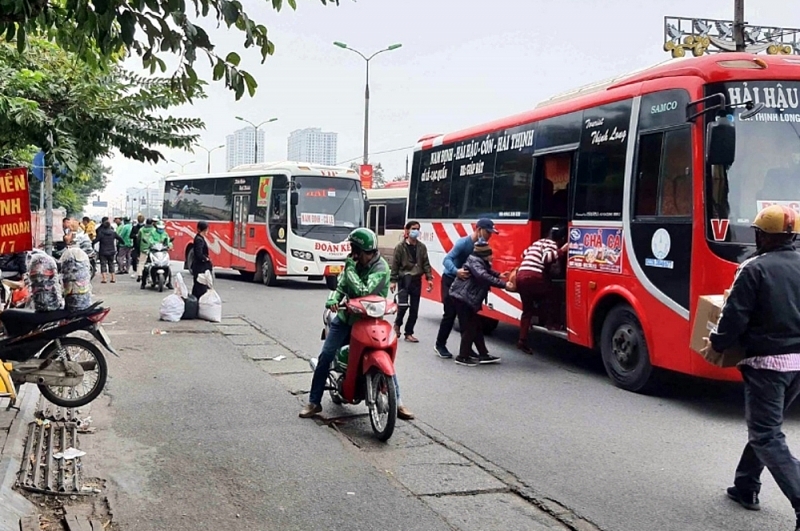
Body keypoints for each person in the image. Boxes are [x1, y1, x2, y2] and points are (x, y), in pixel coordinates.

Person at [702, 204, 800, 530]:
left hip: (767, 364)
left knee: (766, 434)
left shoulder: (754, 268)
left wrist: (716, 343)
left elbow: (734, 316)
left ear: (763, 236)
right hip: (797, 365)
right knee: (765, 428)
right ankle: (746, 485)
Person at [300, 228, 414, 421]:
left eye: (354, 250)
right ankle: (313, 401)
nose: (352, 254)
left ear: (363, 251)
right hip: (346, 319)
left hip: (370, 320)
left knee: (386, 358)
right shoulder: (352, 263)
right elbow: (342, 286)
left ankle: (398, 402)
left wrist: (350, 269)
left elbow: (364, 291)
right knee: (326, 355)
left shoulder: (381, 269)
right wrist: (333, 299)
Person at [434, 218, 500, 359]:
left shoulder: (481, 245)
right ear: (478, 229)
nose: (489, 235)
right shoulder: (463, 243)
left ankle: (468, 350)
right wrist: (456, 271)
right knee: (450, 314)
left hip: (464, 284)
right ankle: (440, 345)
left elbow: (483, 267)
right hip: (451, 280)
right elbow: (446, 260)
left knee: (468, 318)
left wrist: (498, 275)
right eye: (488, 232)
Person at [448, 239, 513, 366]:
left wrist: (499, 275)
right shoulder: (475, 263)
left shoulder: (478, 261)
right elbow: (483, 275)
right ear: (485, 254)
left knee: (476, 326)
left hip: (465, 297)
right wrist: (504, 285)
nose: (492, 256)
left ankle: (483, 354)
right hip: (463, 298)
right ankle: (462, 357)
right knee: (470, 328)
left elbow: (488, 271)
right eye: (490, 254)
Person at [515, 226, 569, 354]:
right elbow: (546, 258)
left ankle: (522, 341)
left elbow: (523, 254)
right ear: (561, 238)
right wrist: (562, 251)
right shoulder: (551, 244)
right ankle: (551, 323)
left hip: (521, 276)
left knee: (527, 310)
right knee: (555, 294)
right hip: (534, 277)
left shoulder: (537, 242)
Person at [390, 220, 434, 343]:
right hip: (404, 279)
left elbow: (426, 263)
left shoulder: (421, 247)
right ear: (407, 230)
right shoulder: (400, 247)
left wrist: (429, 278)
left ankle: (409, 332)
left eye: (418, 229)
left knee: (414, 309)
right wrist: (393, 281)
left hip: (416, 280)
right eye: (413, 228)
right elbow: (395, 265)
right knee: (403, 306)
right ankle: (397, 324)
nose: (416, 231)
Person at [93, 218, 124, 283]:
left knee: (103, 264)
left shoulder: (101, 233)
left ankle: (104, 279)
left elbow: (95, 240)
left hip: (103, 251)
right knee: (111, 263)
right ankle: (113, 278)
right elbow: (121, 239)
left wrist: (92, 244)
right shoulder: (113, 233)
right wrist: (120, 243)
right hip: (111, 251)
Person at [191, 221, 212, 299]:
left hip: (198, 266)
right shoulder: (199, 239)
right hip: (199, 267)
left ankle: (194, 304)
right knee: (200, 287)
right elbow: (198, 254)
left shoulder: (199, 238)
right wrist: (205, 258)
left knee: (197, 287)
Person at [135, 219, 155, 283]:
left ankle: (139, 275)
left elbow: (138, 239)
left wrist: (138, 247)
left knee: (141, 262)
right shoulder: (154, 230)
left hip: (143, 248)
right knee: (152, 262)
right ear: (152, 223)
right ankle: (150, 275)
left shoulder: (141, 229)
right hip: (152, 248)